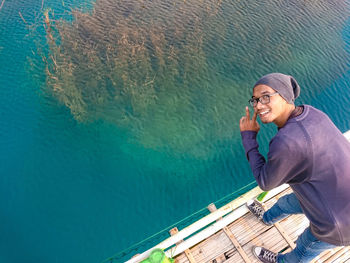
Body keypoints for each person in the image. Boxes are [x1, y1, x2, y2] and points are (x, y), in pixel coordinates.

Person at [239, 73, 350, 263]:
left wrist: (248, 137)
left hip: (337, 224)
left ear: (284, 94)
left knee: (304, 248)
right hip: (333, 193)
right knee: (285, 203)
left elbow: (265, 182)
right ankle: (266, 218)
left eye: (266, 96)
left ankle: (282, 261)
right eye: (255, 100)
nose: (257, 105)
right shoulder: (311, 112)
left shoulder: (286, 141)